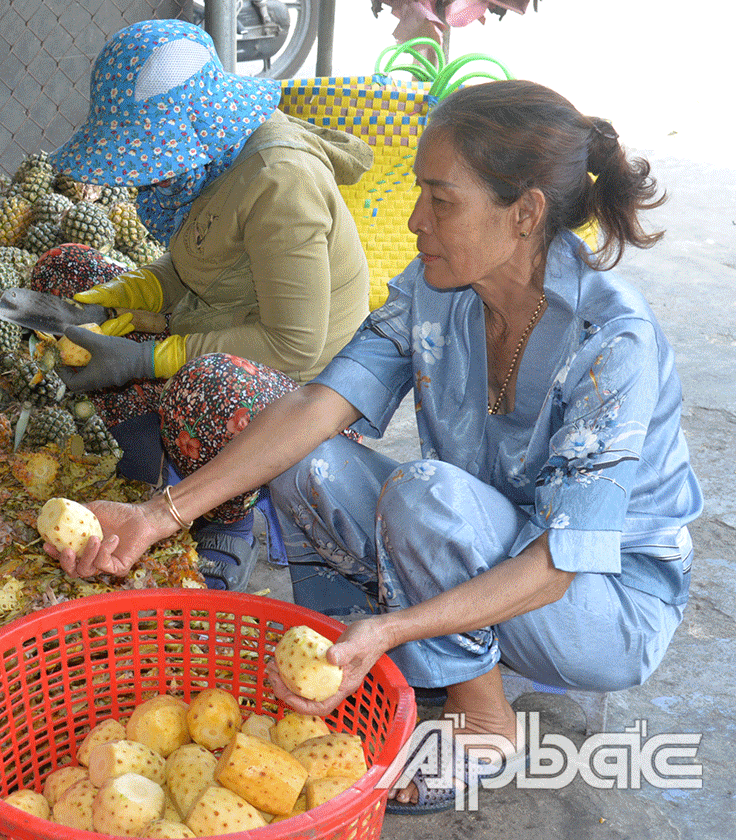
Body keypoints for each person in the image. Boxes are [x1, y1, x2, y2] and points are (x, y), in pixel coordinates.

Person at [46, 79, 702, 813]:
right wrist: (158, 515)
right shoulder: (436, 287)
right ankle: (350, 661)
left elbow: (559, 562)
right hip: (473, 538)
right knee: (298, 452)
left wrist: (393, 627)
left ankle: (483, 720)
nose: (416, 219)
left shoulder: (612, 341)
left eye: (440, 201)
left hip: (602, 599)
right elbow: (316, 405)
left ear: (525, 213)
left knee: (426, 496)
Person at [44, 18, 375, 590]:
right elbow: (197, 262)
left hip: (302, 396)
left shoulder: (280, 181)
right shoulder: (211, 163)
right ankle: (150, 464)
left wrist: (148, 359)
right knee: (66, 273)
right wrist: (128, 296)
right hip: (217, 329)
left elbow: (294, 347)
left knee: (205, 388)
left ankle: (227, 517)